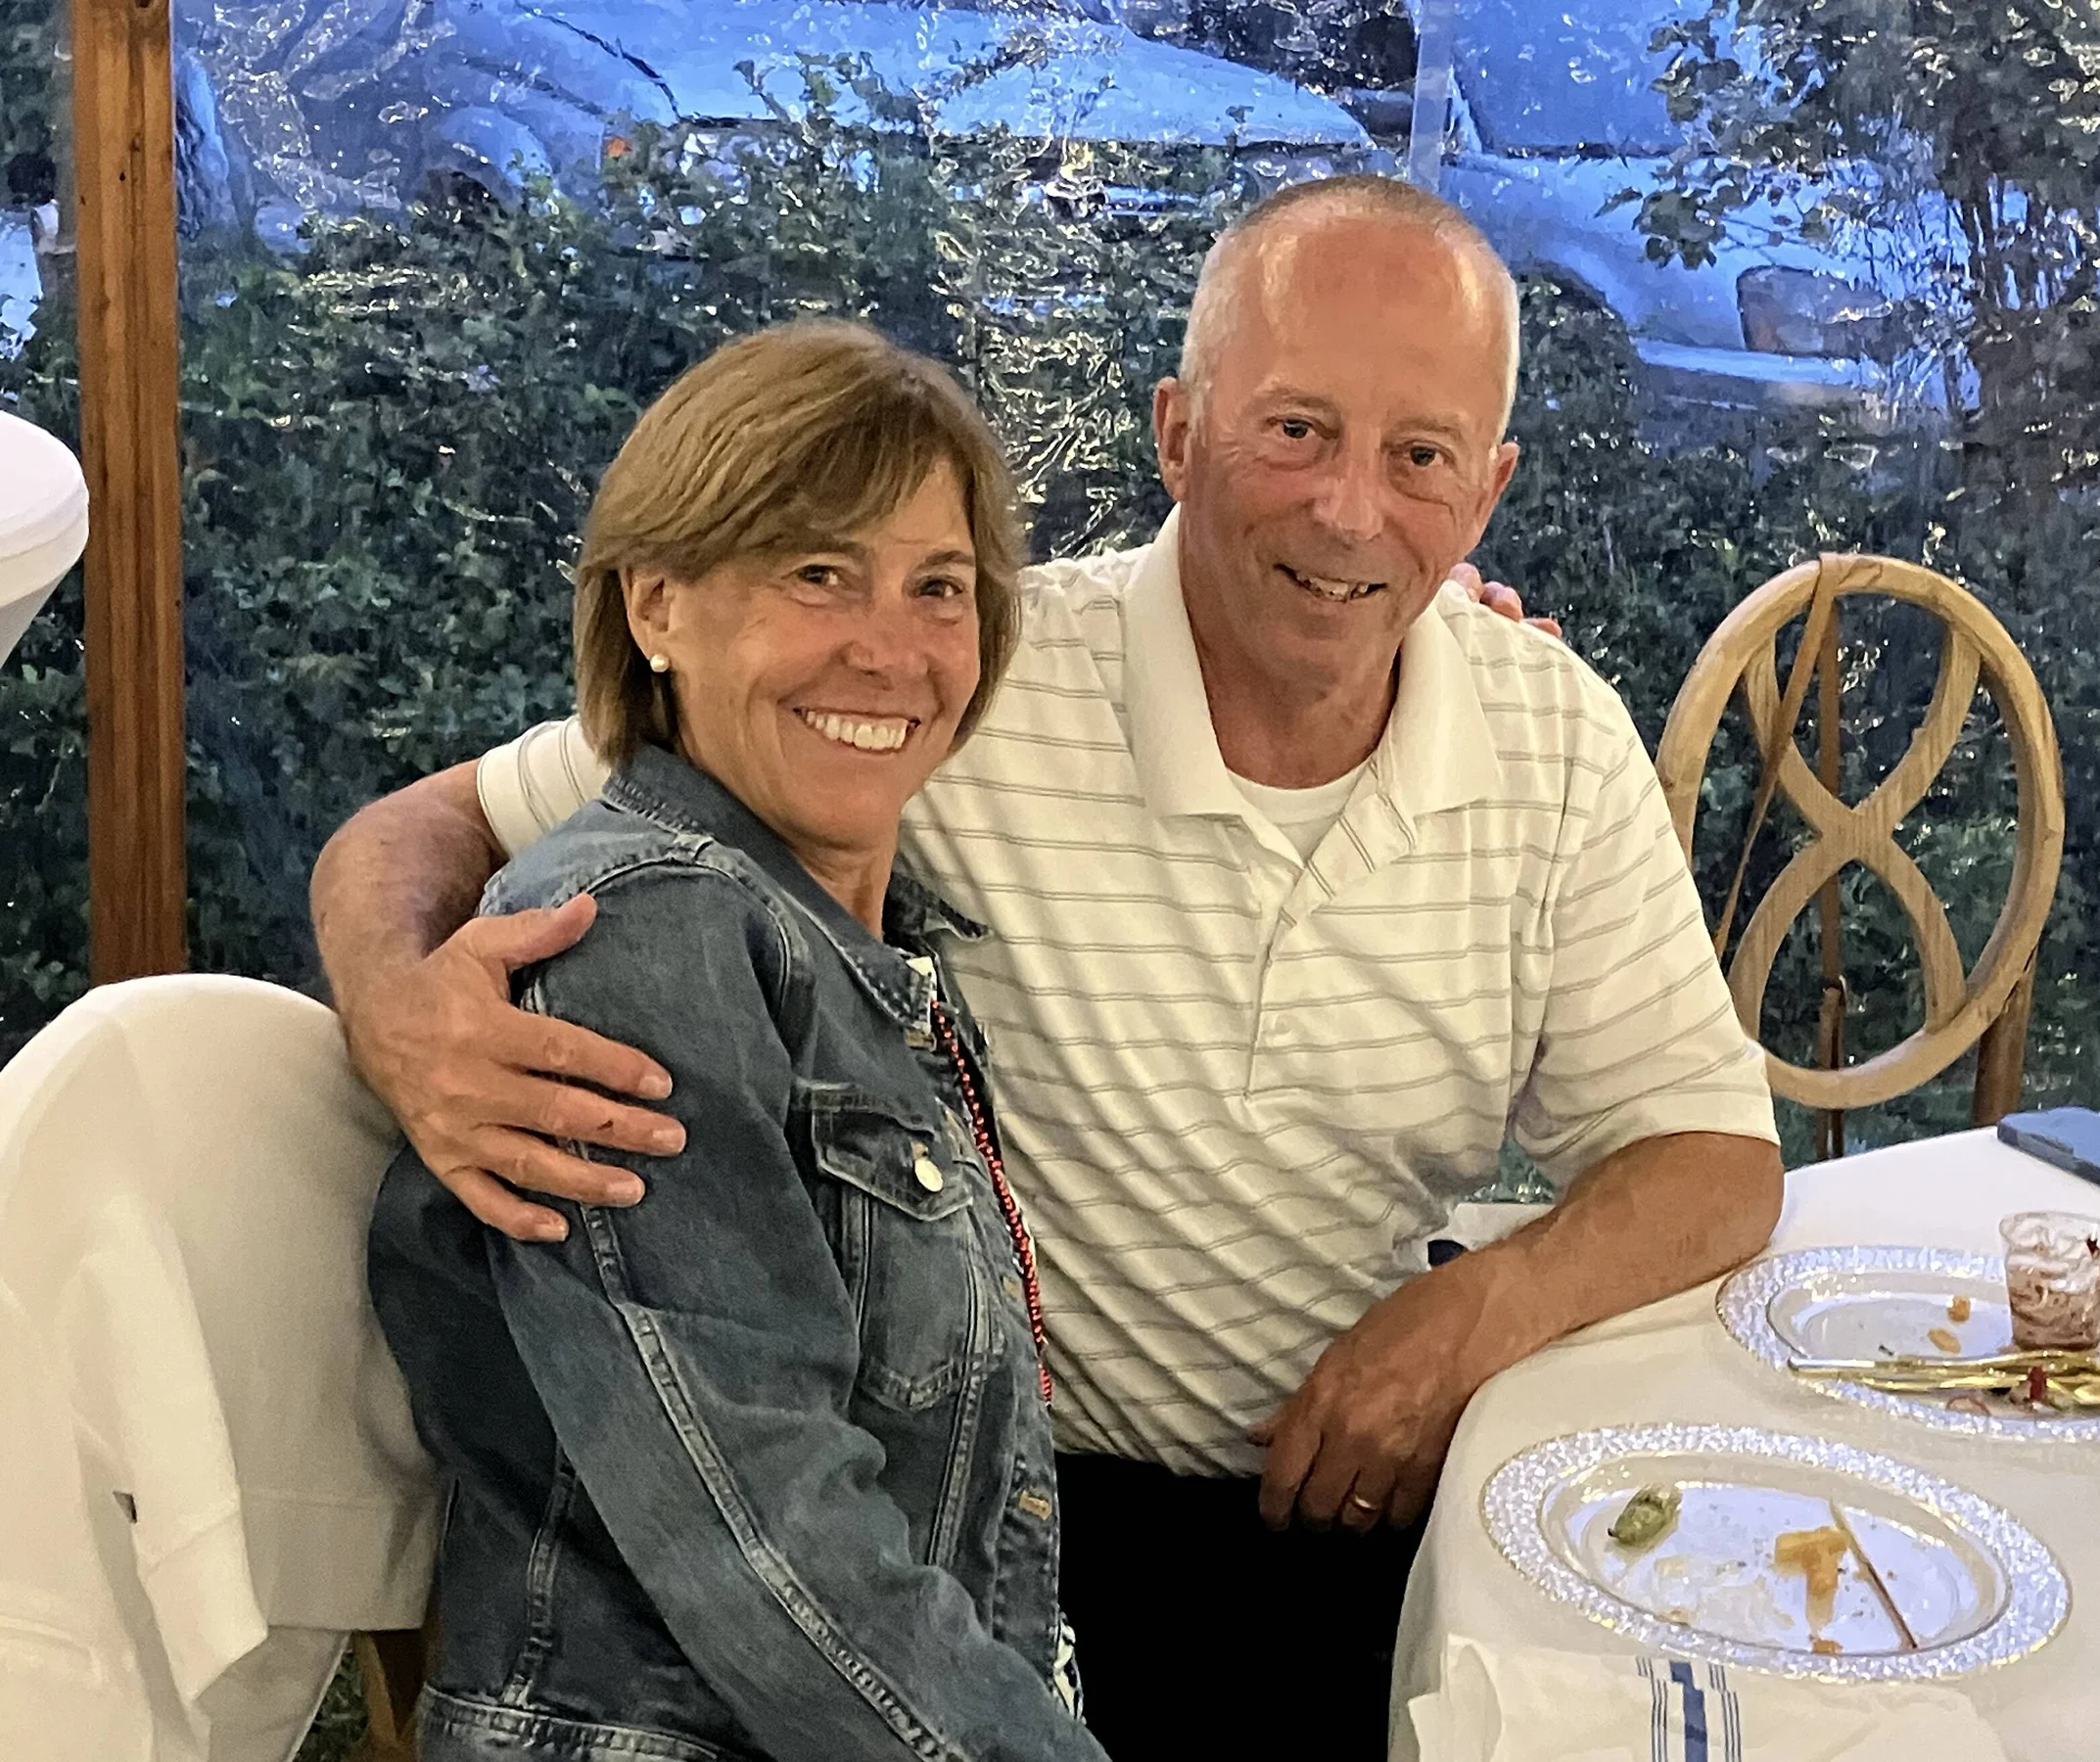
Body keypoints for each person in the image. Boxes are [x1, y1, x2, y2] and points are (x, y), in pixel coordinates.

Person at [320, 174, 1785, 1760]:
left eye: (1418, 455)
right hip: (1017, 1536)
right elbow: (429, 828)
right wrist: (404, 1016)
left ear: (1487, 490)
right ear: (1177, 434)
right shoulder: (934, 712)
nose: (1351, 510)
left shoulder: (1544, 731)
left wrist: (1475, 1314)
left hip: (1332, 1515)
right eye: (1296, 430)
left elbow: (1709, 1153)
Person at [366, 320, 1107, 1762]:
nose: (889, 649)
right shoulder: (638, 940)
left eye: (938, 586)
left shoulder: (859, 947)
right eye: (817, 573)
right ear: (656, 603)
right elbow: (769, 1551)